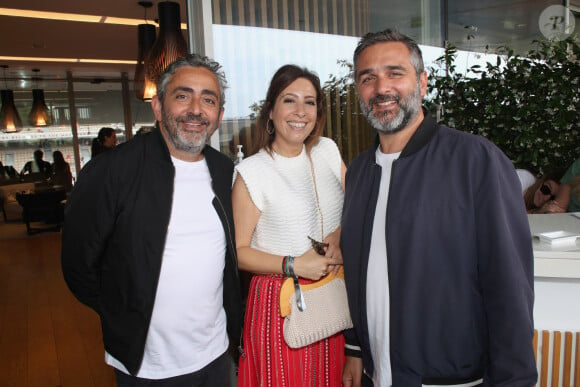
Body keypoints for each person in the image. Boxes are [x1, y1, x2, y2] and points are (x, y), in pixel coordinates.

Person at [340, 29, 537, 387]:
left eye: (395, 73)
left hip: (446, 380)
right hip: (375, 376)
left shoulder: (476, 161)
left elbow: (509, 288)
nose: (381, 88)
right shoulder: (357, 172)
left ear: (423, 82)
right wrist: (354, 347)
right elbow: (359, 272)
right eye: (367, 78)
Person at [61, 54, 243, 386]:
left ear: (218, 115)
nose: (196, 109)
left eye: (209, 99)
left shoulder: (226, 171)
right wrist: (122, 312)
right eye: (183, 95)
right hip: (146, 366)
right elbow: (78, 266)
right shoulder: (111, 172)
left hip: (216, 356)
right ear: (158, 107)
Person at [233, 64, 347, 386]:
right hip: (280, 304)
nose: (300, 111)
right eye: (289, 100)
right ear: (270, 110)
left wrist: (337, 236)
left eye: (309, 102)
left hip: (333, 295)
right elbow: (239, 252)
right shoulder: (252, 172)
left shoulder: (327, 150)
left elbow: (355, 208)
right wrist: (294, 264)